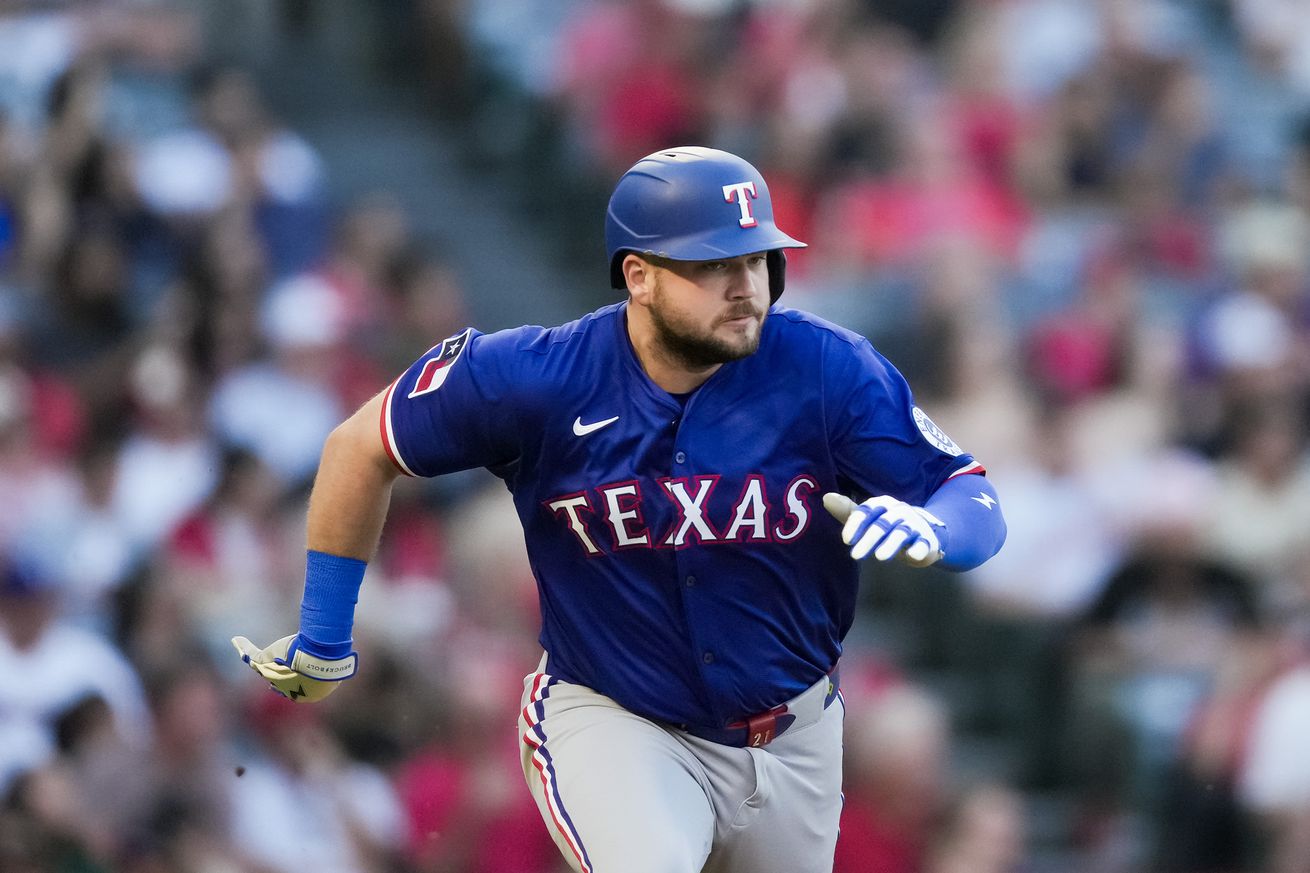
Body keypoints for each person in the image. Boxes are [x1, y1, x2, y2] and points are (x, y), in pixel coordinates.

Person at [232, 146, 1007, 873]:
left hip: (794, 734)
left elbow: (972, 497)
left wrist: (940, 528)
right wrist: (324, 634)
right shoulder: (536, 377)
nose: (747, 284)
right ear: (638, 275)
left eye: (759, 258)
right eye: (714, 264)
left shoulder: (828, 367)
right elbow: (356, 447)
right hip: (618, 718)